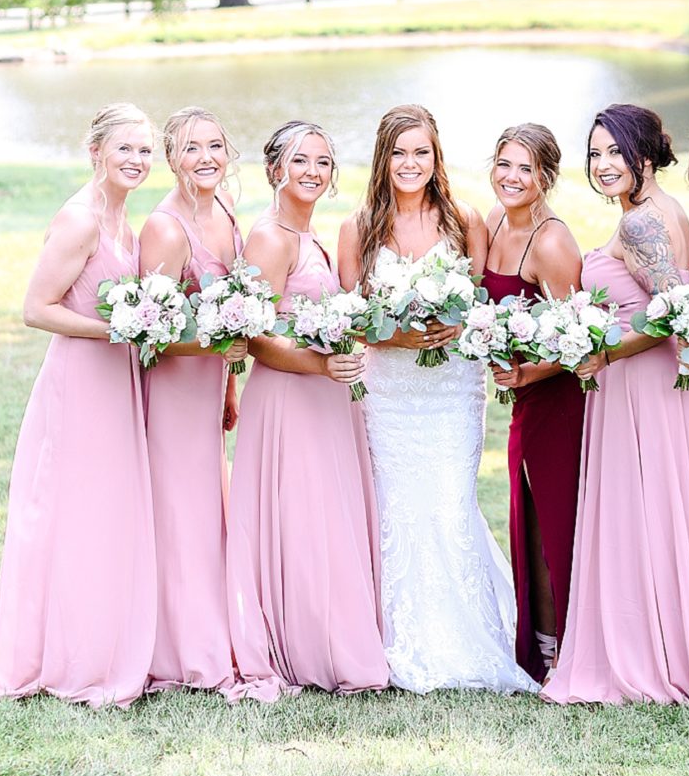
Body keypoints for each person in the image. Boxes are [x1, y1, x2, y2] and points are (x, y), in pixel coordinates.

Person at [339, 104, 537, 693]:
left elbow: (477, 304)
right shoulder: (359, 227)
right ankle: (395, 639)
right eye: (399, 152)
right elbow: (351, 317)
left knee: (450, 505)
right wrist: (393, 332)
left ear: (436, 156)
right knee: (397, 508)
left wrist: (458, 324)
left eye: (420, 152)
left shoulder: (463, 219)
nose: (410, 163)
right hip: (390, 391)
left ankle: (470, 636)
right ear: (383, 157)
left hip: (451, 389)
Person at [543, 104, 689, 708]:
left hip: (646, 387)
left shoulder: (640, 225)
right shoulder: (668, 211)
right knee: (668, 514)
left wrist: (605, 351)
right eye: (595, 153)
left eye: (615, 152)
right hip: (655, 383)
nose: (603, 165)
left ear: (645, 156)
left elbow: (676, 317)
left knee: (650, 515)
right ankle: (673, 649)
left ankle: (650, 662)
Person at [0, 103, 158, 707]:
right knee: (68, 513)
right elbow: (36, 308)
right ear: (96, 151)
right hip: (81, 380)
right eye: (125, 149)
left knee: (102, 514)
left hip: (116, 380)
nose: (137, 160)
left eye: (145, 150)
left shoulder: (122, 217)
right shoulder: (80, 219)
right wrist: (117, 330)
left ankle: (98, 644)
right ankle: (55, 657)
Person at [226, 120, 387, 697]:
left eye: (322, 162)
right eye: (300, 161)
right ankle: (312, 647)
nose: (313, 172)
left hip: (326, 397)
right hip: (290, 397)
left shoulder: (309, 234)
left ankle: (333, 634)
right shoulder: (271, 238)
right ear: (275, 170)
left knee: (326, 518)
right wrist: (320, 365)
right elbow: (254, 338)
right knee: (304, 519)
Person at [139, 106, 245, 698]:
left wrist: (229, 380)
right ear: (171, 157)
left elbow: (234, 313)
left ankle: (214, 628)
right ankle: (184, 649)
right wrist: (215, 344)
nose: (205, 158)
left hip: (208, 387)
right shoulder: (164, 227)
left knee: (208, 510)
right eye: (190, 148)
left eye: (214, 146)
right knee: (181, 515)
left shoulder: (225, 212)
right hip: (175, 390)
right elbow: (149, 337)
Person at [482, 123, 585, 682]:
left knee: (557, 523)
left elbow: (580, 344)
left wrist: (524, 371)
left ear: (546, 177)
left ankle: (570, 651)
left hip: (559, 399)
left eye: (525, 168)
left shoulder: (551, 241)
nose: (512, 177)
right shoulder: (495, 221)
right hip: (525, 397)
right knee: (531, 523)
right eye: (504, 164)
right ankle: (542, 648)